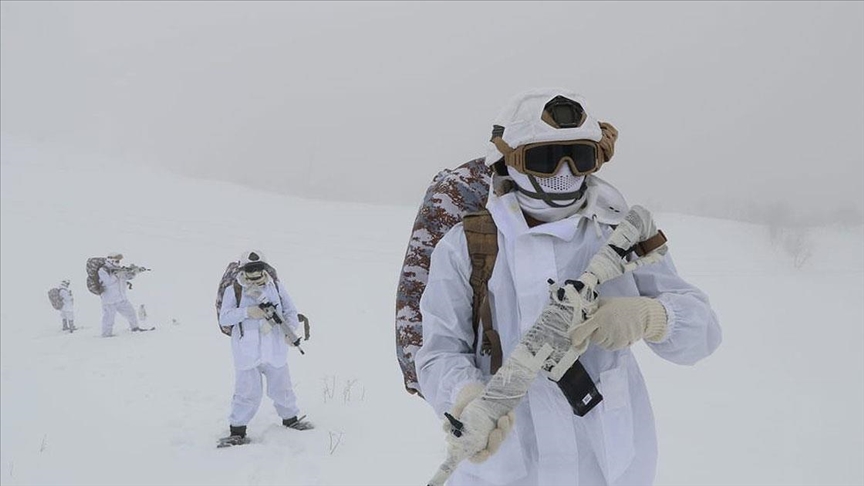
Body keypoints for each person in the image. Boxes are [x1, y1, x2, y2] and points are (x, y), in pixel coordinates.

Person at [415, 88, 722, 486]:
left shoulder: (620, 234)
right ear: (509, 160)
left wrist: (651, 317)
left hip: (612, 467)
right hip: (506, 471)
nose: (564, 172)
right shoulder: (466, 245)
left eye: (577, 157)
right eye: (544, 159)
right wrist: (466, 397)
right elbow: (438, 352)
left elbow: (704, 333)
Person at [218, 250, 312, 446]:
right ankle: (237, 431)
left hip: (275, 348)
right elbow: (225, 317)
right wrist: (247, 312)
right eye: (250, 269)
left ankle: (291, 420)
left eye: (258, 268)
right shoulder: (234, 290)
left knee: (282, 388)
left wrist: (290, 331)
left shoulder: (275, 286)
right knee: (246, 392)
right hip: (246, 351)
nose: (255, 273)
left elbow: (291, 311)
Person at [98, 252, 148, 337]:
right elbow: (108, 282)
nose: (118, 263)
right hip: (109, 300)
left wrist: (134, 272)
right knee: (109, 319)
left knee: (131, 313)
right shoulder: (103, 270)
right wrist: (117, 275)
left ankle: (135, 328)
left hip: (121, 298)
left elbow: (127, 277)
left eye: (119, 261)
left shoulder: (119, 269)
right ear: (111, 260)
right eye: (117, 261)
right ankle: (106, 334)